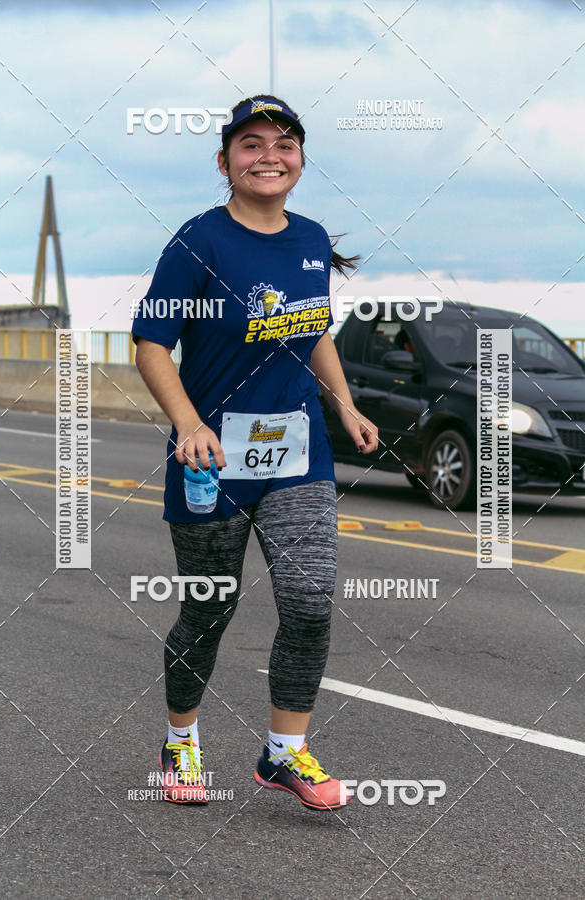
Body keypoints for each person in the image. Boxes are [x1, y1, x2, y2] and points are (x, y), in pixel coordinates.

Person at [132, 94, 379, 810]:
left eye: (284, 143)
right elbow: (151, 344)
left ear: (300, 161)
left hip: (299, 454)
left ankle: (284, 753)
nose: (269, 154)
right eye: (251, 143)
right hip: (211, 461)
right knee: (210, 606)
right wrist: (189, 425)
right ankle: (181, 742)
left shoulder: (310, 238)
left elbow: (316, 331)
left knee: (308, 600)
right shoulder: (196, 242)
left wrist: (345, 403)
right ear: (225, 162)